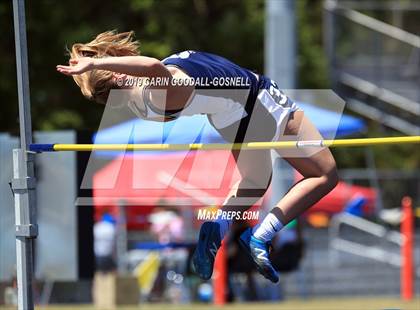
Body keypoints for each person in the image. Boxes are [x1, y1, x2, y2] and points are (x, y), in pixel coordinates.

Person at [57, 30, 338, 283]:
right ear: (117, 74)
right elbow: (153, 66)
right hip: (257, 100)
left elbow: (157, 70)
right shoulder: (154, 93)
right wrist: (96, 64)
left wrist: (98, 68)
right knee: (324, 174)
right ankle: (261, 235)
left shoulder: (141, 104)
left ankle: (219, 223)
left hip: (228, 115)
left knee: (254, 180)